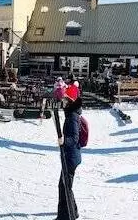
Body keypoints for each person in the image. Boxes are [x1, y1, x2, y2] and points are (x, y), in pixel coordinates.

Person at [56, 84, 83, 220]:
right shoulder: (71, 113)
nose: (63, 102)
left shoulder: (72, 116)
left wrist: (64, 141)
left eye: (65, 100)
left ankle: (65, 216)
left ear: (71, 101)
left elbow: (74, 138)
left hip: (71, 157)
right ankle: (73, 212)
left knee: (64, 187)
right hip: (71, 156)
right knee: (66, 185)